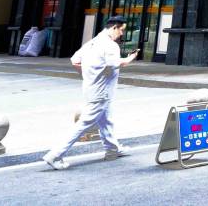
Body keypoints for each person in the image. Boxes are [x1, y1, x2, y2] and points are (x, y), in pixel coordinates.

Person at [42, 16, 138, 170]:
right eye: (121, 30)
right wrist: (130, 58)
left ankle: (112, 149)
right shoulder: (110, 45)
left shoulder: (92, 42)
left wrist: (89, 75)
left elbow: (75, 60)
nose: (122, 34)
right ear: (114, 27)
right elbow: (116, 63)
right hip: (102, 92)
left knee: (106, 121)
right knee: (84, 124)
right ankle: (55, 155)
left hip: (91, 89)